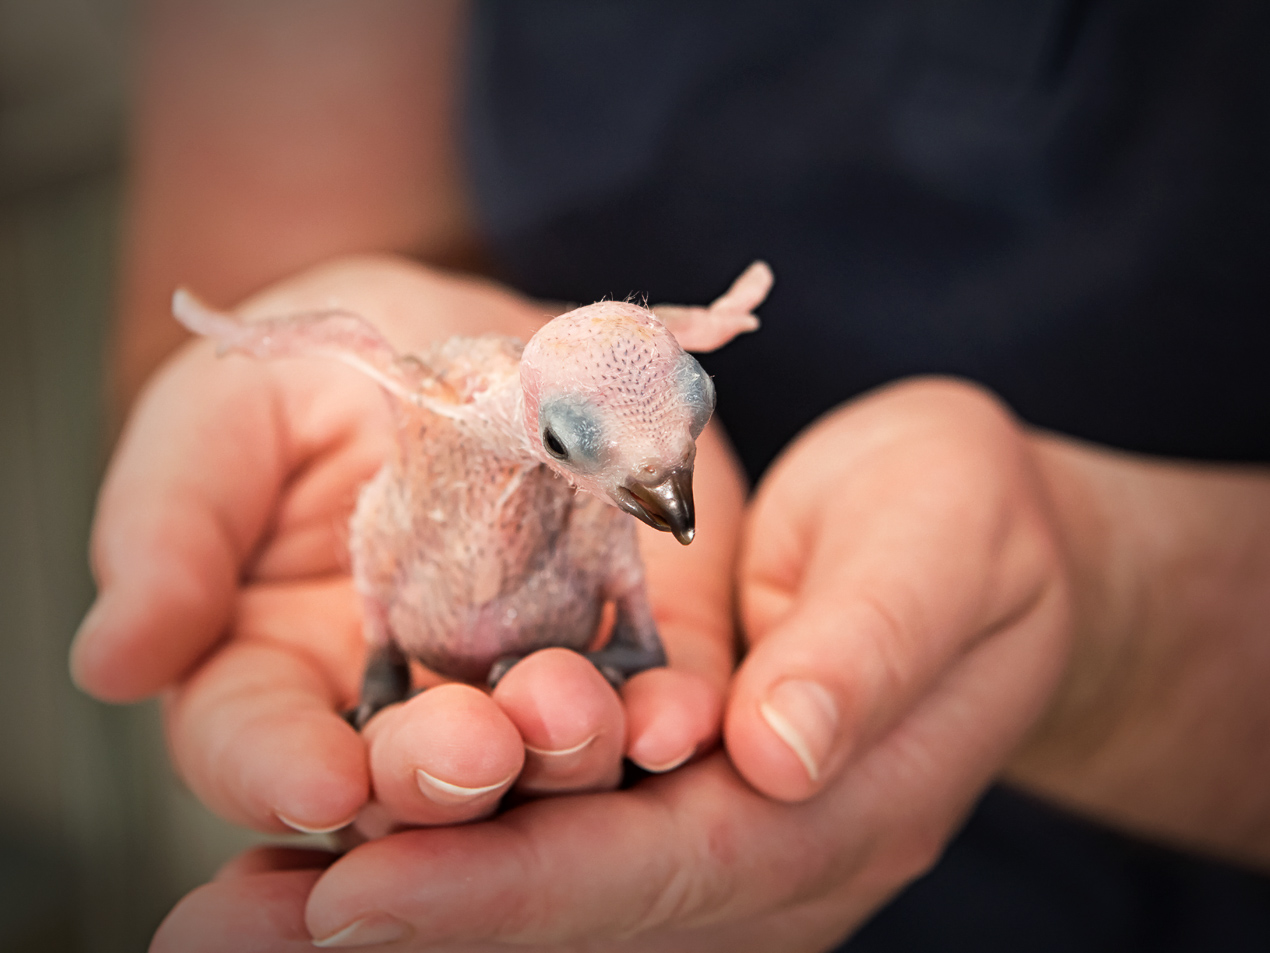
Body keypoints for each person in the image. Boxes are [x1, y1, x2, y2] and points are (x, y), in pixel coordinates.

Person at [72, 1, 1270, 950]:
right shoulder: (434, 406)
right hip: (504, 630)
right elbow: (264, 277)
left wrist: (1114, 624)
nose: (668, 502)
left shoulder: (613, 489)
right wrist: (247, 367)